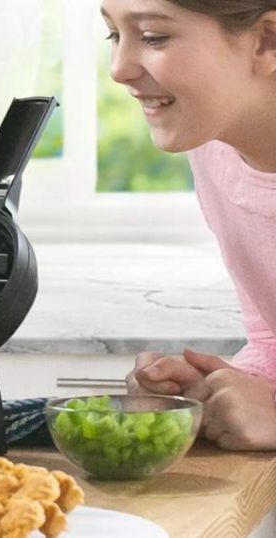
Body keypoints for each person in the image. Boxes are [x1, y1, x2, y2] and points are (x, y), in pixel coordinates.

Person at [103, 0, 276, 450]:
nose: (118, 70)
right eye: (113, 35)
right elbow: (270, 337)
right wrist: (213, 389)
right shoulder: (216, 148)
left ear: (267, 41)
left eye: (153, 37)